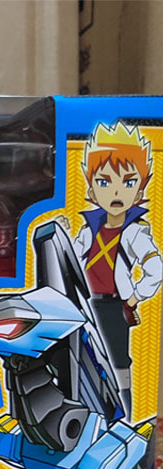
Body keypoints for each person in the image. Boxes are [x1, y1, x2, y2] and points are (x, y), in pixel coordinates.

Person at [61, 122, 161, 417]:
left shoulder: (135, 232)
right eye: (105, 182)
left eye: (128, 182)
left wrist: (132, 299)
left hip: (113, 306)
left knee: (119, 365)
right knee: (84, 361)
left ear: (140, 188)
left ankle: (127, 418)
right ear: (91, 187)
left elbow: (155, 268)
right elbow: (73, 258)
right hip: (84, 305)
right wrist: (63, 233)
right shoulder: (89, 228)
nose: (116, 192)